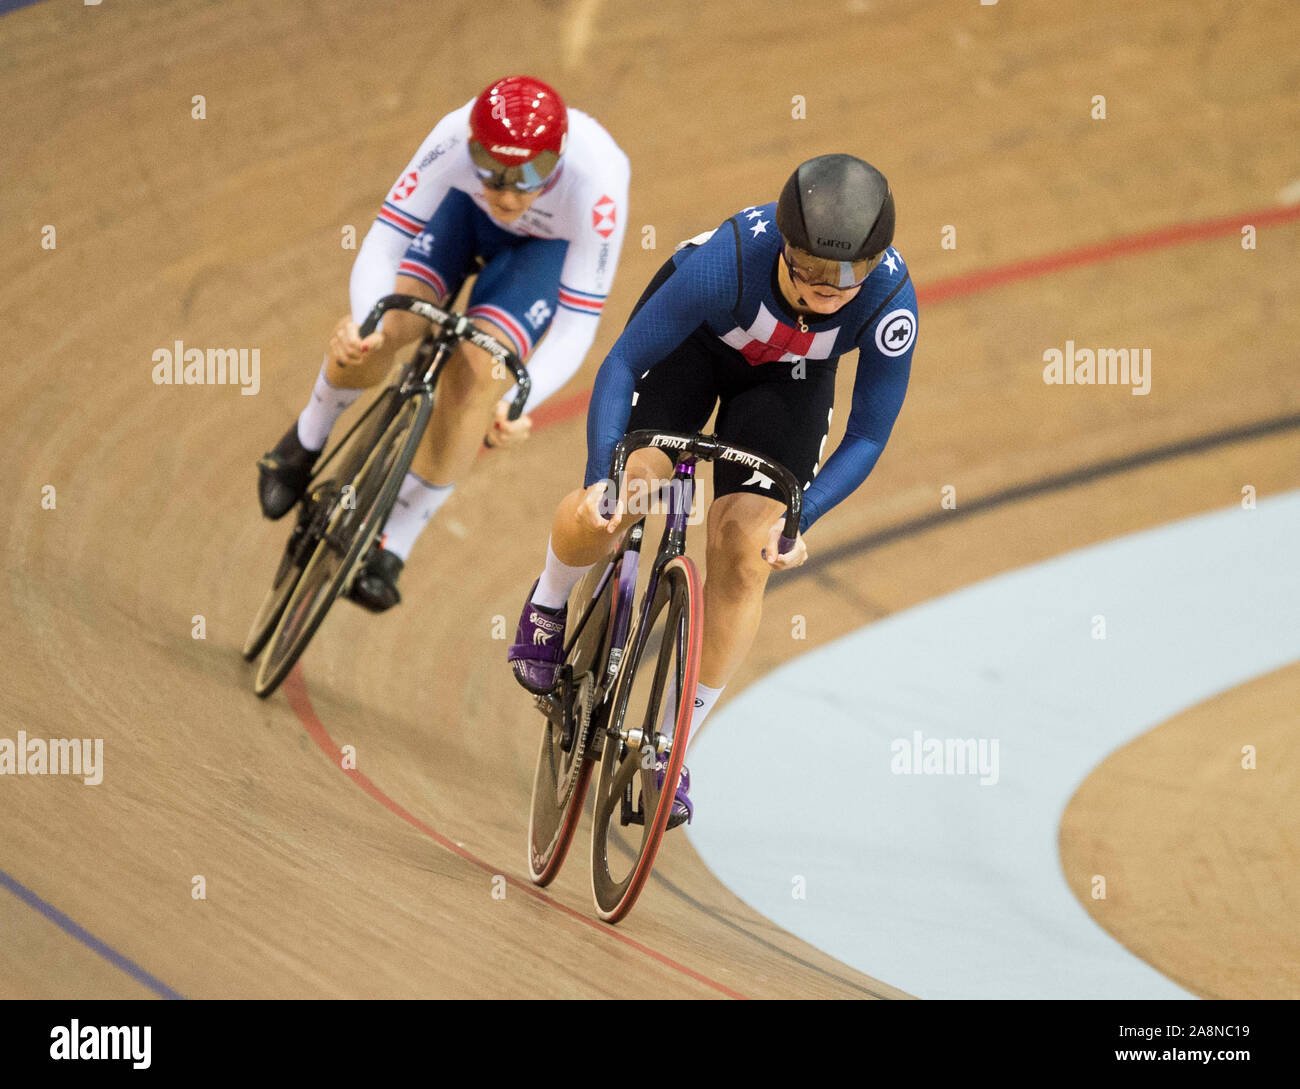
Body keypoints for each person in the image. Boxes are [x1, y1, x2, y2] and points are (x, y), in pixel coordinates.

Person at [508, 154, 917, 827]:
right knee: (635, 494)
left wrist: (799, 518)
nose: (826, 288)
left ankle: (671, 746)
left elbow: (869, 435)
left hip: (782, 387)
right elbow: (623, 364)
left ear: (875, 262)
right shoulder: (724, 264)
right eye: (810, 269)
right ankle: (549, 599)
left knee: (746, 551)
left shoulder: (890, 300)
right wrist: (604, 480)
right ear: (784, 243)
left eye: (845, 275)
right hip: (686, 353)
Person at [256, 75, 629, 611]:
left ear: (559, 158)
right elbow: (384, 244)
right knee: (386, 327)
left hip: (540, 255)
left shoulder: (600, 180)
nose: (506, 192)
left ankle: (396, 543)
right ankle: (304, 440)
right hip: (461, 217)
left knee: (478, 373)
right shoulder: (453, 136)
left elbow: (577, 324)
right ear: (472, 149)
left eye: (529, 175)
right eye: (492, 171)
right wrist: (365, 325)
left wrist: (519, 401)